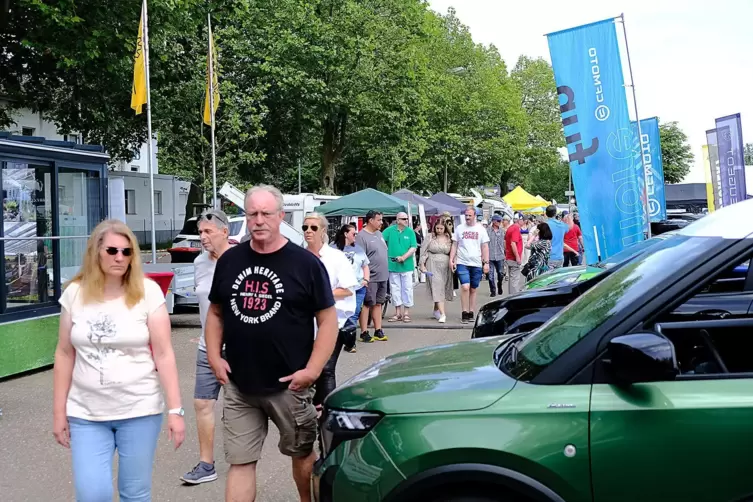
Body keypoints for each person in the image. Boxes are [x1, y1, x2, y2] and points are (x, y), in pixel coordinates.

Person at [205, 184, 338, 502]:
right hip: (240, 384)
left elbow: (328, 320)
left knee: (302, 455)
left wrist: (313, 369)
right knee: (240, 463)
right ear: (246, 217)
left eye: (266, 213)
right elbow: (215, 313)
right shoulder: (230, 261)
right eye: (252, 214)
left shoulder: (305, 264)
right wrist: (213, 356)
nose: (259, 220)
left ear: (281, 216)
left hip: (290, 385)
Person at [53, 220, 185, 502]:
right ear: (96, 252)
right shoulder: (74, 294)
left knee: (135, 493)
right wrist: (58, 412)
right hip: (86, 414)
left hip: (139, 410)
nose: (119, 257)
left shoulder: (148, 293)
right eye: (112, 250)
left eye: (127, 252)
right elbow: (65, 353)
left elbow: (164, 354)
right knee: (92, 494)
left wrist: (176, 410)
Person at [181, 209, 232, 485]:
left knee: (240, 407)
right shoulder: (200, 263)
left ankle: (242, 462)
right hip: (206, 347)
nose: (202, 237)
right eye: (200, 232)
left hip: (237, 348)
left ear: (225, 232)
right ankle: (206, 464)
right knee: (202, 402)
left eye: (208, 231)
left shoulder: (241, 260)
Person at [303, 213, 358, 410]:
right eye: (305, 227)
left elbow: (348, 288)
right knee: (306, 370)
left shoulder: (336, 257)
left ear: (323, 231)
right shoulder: (299, 257)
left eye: (313, 228)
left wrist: (320, 295)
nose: (308, 231)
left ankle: (325, 413)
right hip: (304, 324)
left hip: (333, 322)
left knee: (326, 369)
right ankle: (306, 413)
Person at [450, 206, 490, 323]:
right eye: (466, 215)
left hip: (476, 263)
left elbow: (485, 246)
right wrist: (451, 259)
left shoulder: (481, 229)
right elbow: (454, 244)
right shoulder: (459, 228)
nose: (467, 218)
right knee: (465, 286)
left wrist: (486, 263)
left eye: (469, 215)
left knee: (473, 288)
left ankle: (471, 311)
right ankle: (464, 312)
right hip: (462, 261)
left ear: (474, 216)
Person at [333, 224, 369, 352]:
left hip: (358, 287)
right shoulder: (333, 249)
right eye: (354, 234)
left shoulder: (358, 249)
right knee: (340, 315)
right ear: (345, 234)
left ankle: (350, 343)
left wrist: (366, 279)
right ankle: (337, 341)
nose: (356, 236)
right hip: (340, 289)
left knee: (353, 315)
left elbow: (365, 265)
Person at [356, 210, 389, 342]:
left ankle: (378, 330)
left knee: (378, 303)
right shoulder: (361, 236)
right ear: (370, 220)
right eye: (379, 220)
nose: (381, 222)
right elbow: (360, 258)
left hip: (382, 275)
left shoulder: (379, 234)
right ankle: (364, 331)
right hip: (371, 276)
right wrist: (365, 276)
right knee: (367, 303)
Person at [383, 211, 418, 323]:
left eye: (406, 218)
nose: (406, 220)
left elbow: (413, 247)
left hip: (406, 265)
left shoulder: (410, 232)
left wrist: (403, 257)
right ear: (397, 220)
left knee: (407, 288)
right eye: (403, 219)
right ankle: (397, 312)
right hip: (393, 264)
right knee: (395, 288)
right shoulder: (389, 230)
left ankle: (406, 312)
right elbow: (381, 240)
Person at [419, 219, 453, 323]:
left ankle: (436, 310)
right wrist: (422, 264)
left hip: (445, 266)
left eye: (441, 228)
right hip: (432, 264)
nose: (439, 230)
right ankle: (443, 313)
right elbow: (423, 251)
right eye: (437, 228)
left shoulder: (449, 238)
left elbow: (453, 252)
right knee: (437, 286)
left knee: (441, 288)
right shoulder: (430, 237)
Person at [504, 213, 524, 294]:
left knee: (512, 280)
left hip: (509, 257)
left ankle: (511, 296)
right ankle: (513, 298)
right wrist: (517, 257)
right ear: (520, 220)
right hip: (514, 258)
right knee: (515, 280)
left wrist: (507, 252)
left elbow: (505, 242)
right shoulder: (515, 228)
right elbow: (513, 243)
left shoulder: (510, 228)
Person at [487, 214, 506, 298]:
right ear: (493, 221)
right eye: (498, 221)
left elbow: (504, 243)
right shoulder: (487, 231)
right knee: (490, 276)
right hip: (490, 256)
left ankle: (499, 284)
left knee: (500, 273)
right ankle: (493, 290)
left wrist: (505, 253)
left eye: (500, 221)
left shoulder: (502, 231)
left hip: (500, 255)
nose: (499, 222)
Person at [545, 205, 569, 270]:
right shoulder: (562, 224)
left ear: (546, 214)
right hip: (560, 256)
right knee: (558, 278)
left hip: (549, 257)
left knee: (548, 278)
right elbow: (569, 228)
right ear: (555, 213)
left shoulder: (544, 225)